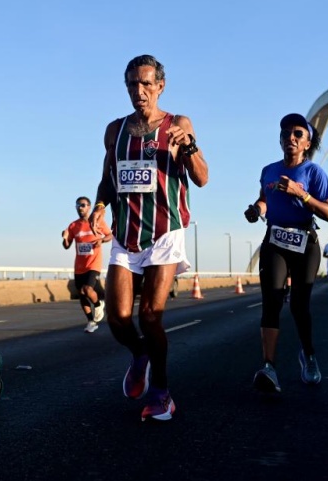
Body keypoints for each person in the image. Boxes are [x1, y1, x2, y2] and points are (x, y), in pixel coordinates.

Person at [90, 54, 208, 422]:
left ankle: (161, 391)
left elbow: (202, 178)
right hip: (126, 233)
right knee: (118, 318)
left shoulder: (177, 124)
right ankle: (140, 353)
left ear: (160, 86)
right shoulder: (115, 130)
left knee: (151, 315)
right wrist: (99, 207)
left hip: (164, 231)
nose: (139, 92)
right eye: (132, 85)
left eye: (146, 84)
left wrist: (187, 145)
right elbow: (109, 178)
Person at [243, 112, 328, 392]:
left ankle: (308, 355)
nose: (290, 138)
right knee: (271, 301)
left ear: (307, 143)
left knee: (298, 306)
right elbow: (265, 198)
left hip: (305, 243)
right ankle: (269, 367)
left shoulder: (314, 173)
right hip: (275, 240)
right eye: (286, 134)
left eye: (298, 134)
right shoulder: (268, 170)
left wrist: (301, 194)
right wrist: (257, 209)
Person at [62, 196, 112, 333]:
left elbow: (110, 235)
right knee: (81, 294)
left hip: (93, 263)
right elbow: (66, 246)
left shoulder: (97, 221)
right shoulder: (73, 226)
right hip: (79, 266)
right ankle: (91, 321)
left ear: (89, 207)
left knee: (87, 289)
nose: (80, 207)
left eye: (83, 205)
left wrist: (101, 240)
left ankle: (98, 303)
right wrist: (65, 237)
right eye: (78, 205)